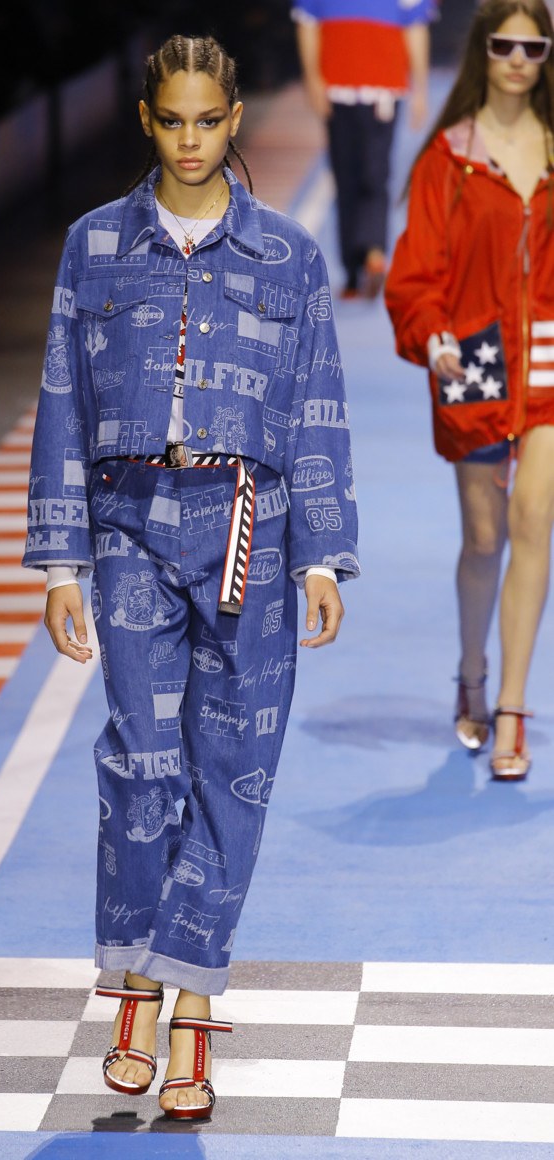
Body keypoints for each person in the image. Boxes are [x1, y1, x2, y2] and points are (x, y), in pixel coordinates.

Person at [22, 34, 359, 1119]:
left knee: (234, 769)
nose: (190, 140)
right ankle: (132, 978)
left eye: (208, 120)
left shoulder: (286, 256)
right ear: (145, 119)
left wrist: (319, 553)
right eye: (171, 120)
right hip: (129, 520)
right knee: (140, 759)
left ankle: (190, 1004)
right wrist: (61, 559)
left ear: (234, 117)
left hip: (246, 527)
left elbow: (315, 401)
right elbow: (63, 398)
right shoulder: (94, 244)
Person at [385, 0, 554, 781]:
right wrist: (432, 335)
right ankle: (471, 672)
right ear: (481, 49)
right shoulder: (447, 159)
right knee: (484, 540)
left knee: (533, 519)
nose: (517, 59)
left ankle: (511, 707)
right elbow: (414, 273)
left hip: (547, 360)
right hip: (474, 362)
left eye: (533, 46)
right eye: (504, 44)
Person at [292, 0, 434, 299]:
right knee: (345, 176)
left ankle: (373, 253)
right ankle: (353, 271)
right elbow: (307, 24)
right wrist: (313, 79)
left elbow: (415, 29)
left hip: (383, 88)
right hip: (336, 88)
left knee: (375, 172)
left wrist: (420, 90)